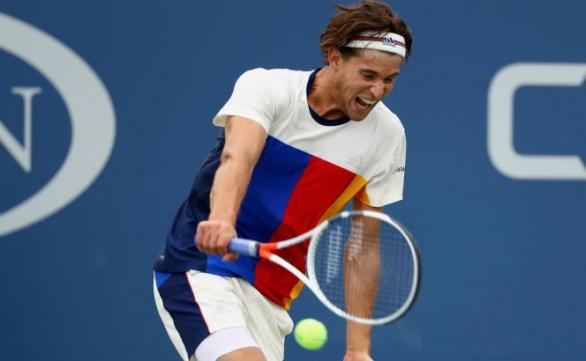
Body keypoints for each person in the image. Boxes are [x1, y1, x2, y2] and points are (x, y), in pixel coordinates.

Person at [152, 1, 413, 360]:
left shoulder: (387, 135)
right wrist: (222, 221)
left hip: (272, 300)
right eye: (368, 75)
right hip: (201, 269)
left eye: (389, 80)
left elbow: (364, 243)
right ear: (334, 57)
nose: (377, 91)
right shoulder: (268, 88)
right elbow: (238, 157)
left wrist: (358, 350)